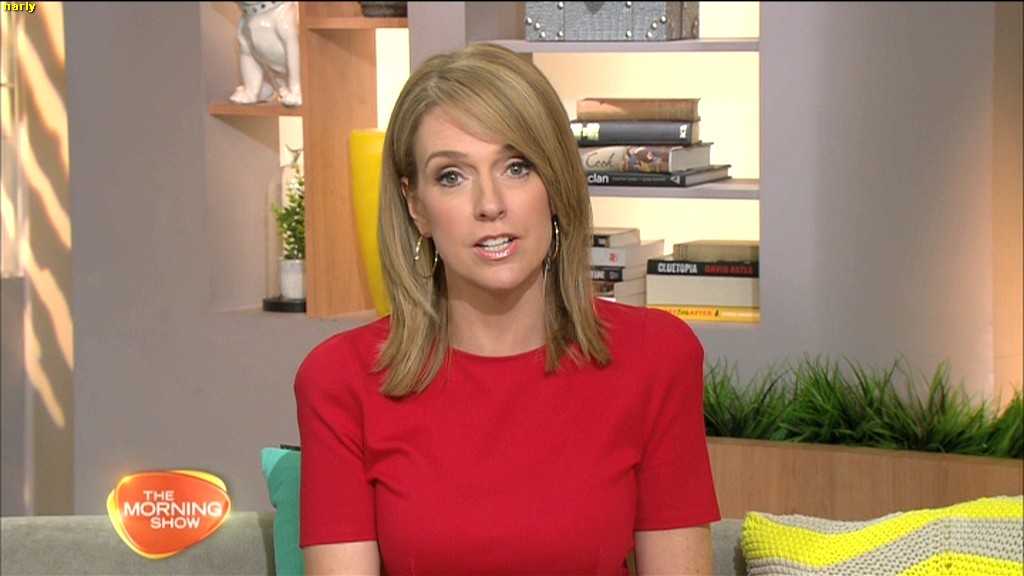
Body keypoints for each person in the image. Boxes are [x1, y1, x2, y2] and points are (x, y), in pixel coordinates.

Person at [294, 42, 721, 575]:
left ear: (556, 183)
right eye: (452, 176)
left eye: (516, 167)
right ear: (415, 204)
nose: (490, 204)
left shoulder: (655, 357)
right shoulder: (341, 381)